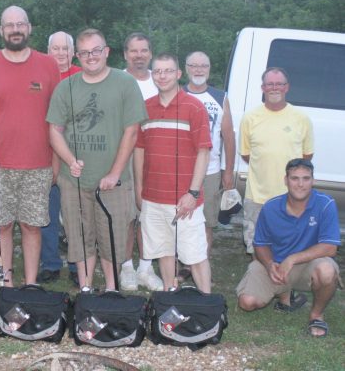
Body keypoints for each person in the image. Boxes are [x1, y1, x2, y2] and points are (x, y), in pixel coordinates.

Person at [47, 28, 146, 290]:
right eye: (84, 52)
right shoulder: (65, 87)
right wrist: (70, 160)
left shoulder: (125, 84)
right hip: (74, 181)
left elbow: (132, 131)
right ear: (77, 56)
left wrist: (115, 173)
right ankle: (86, 287)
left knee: (111, 237)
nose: (91, 56)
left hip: (113, 182)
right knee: (79, 237)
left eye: (96, 51)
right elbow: (54, 130)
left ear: (106, 52)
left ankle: (112, 288)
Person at [0, 6, 60, 287]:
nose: (15, 29)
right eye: (9, 25)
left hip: (38, 164)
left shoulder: (48, 65)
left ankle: (30, 283)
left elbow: (58, 118)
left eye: (20, 24)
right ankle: (6, 282)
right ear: (1, 30)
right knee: (2, 226)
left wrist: (56, 162)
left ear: (29, 28)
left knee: (32, 227)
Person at [134, 53, 212, 293]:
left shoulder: (194, 107)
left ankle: (207, 302)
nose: (162, 76)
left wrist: (192, 193)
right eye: (157, 71)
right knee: (164, 252)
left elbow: (204, 152)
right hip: (153, 198)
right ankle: (169, 295)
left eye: (168, 71)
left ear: (178, 74)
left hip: (184, 200)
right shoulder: (145, 107)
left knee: (195, 256)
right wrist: (139, 189)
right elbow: (139, 150)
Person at [236, 159, 341, 337]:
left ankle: (316, 315)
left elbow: (330, 248)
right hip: (277, 267)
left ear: (313, 180)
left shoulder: (325, 204)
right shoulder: (271, 207)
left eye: (306, 178)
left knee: (327, 271)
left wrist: (292, 259)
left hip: (309, 265)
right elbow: (260, 244)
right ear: (286, 180)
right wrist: (269, 265)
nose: (300, 184)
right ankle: (286, 293)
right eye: (295, 178)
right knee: (247, 303)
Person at [239, 67, 314, 255]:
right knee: (257, 248)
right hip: (257, 197)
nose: (274, 88)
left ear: (286, 87)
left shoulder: (301, 118)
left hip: (291, 197)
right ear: (263, 88)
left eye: (279, 84)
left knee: (289, 247)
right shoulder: (250, 118)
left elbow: (306, 156)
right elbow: (246, 154)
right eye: (270, 84)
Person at [121, 32, 163, 291]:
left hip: (155, 157)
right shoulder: (116, 80)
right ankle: (126, 267)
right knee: (127, 215)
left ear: (150, 53)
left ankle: (146, 268)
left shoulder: (161, 81)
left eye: (144, 50)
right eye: (134, 51)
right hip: (123, 157)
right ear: (125, 54)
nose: (139, 55)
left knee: (150, 215)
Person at [184, 51, 235, 259]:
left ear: (209, 68)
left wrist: (228, 171)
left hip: (210, 171)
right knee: (180, 219)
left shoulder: (220, 97)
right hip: (182, 170)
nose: (198, 70)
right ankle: (182, 265)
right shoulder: (177, 94)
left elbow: (228, 137)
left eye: (203, 66)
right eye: (194, 65)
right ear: (186, 69)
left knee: (206, 223)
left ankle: (201, 264)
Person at [40, 31, 81, 285]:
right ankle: (50, 263)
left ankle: (77, 265)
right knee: (47, 212)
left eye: (65, 48)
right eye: (55, 48)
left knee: (75, 214)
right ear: (48, 51)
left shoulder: (82, 76)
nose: (60, 53)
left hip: (75, 155)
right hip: (44, 153)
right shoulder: (40, 74)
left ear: (73, 52)